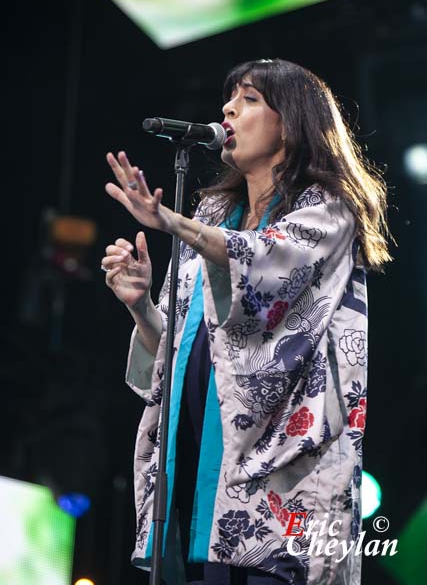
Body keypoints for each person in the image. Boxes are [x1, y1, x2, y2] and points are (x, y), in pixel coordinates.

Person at [101, 59, 391, 585]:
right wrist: (140, 304)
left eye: (250, 99)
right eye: (229, 98)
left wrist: (168, 220)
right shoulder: (211, 215)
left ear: (293, 120)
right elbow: (171, 349)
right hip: (196, 455)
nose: (228, 109)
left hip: (283, 475)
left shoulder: (328, 209)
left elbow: (262, 261)